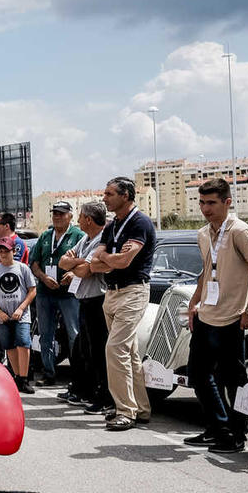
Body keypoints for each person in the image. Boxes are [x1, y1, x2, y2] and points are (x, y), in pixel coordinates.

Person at [182, 178, 248, 454]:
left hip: (232, 316)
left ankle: (236, 433)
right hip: (207, 313)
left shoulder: (239, 231)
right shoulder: (203, 233)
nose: (206, 209)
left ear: (227, 202)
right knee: (197, 374)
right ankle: (217, 428)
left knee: (234, 378)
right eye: (202, 203)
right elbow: (207, 273)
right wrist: (194, 303)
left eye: (212, 203)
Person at [90, 177, 156, 432]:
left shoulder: (139, 223)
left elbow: (125, 262)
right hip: (113, 293)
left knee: (114, 348)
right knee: (128, 352)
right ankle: (141, 408)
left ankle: (124, 411)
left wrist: (109, 259)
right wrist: (110, 258)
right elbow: (95, 262)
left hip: (133, 291)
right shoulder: (113, 224)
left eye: (109, 193)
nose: (104, 198)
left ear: (126, 195)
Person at [59, 200, 111, 412]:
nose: (79, 220)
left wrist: (77, 263)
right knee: (83, 349)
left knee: (98, 351)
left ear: (88, 220)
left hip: (98, 301)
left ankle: (103, 396)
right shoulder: (85, 240)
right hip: (84, 300)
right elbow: (63, 262)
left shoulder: (102, 240)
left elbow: (86, 271)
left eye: (80, 216)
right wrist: (79, 262)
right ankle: (85, 389)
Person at [29, 202, 84, 385]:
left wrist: (73, 273)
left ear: (70, 215)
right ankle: (49, 372)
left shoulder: (79, 236)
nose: (57, 217)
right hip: (45, 292)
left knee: (73, 334)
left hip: (68, 294)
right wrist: (43, 278)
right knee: (46, 334)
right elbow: (34, 263)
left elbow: (86, 262)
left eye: (61, 213)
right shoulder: (45, 235)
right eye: (55, 214)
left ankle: (79, 377)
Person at [0, 237, 38, 393]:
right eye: (1, 251)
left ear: (13, 251)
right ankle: (17, 376)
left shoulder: (22, 268)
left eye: (6, 251)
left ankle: (24, 378)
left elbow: (32, 290)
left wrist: (21, 308)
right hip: (2, 315)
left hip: (21, 314)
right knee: (9, 345)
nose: (3, 254)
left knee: (23, 343)